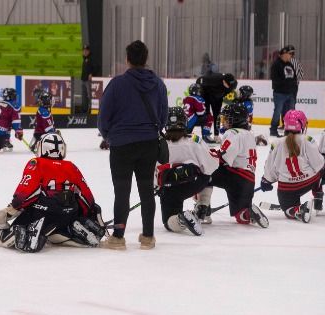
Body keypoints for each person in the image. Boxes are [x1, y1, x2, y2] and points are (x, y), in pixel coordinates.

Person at [98, 40, 168, 250]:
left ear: (127, 59)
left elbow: (103, 117)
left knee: (122, 191)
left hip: (121, 145)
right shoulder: (158, 84)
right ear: (146, 59)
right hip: (148, 143)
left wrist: (110, 136)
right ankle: (148, 236)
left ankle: (118, 237)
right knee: (147, 189)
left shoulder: (117, 84)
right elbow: (163, 117)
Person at [0, 133, 106, 252]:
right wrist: (87, 213)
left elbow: (26, 193)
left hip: (43, 213)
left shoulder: (36, 163)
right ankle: (66, 232)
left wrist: (11, 210)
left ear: (42, 147)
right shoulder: (71, 166)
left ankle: (13, 234)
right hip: (69, 214)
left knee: (8, 234)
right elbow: (86, 196)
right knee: (62, 218)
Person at [156, 107, 218, 236]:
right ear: (184, 121)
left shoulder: (159, 144)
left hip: (171, 188)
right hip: (195, 183)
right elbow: (211, 165)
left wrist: (156, 187)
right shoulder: (194, 139)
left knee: (169, 222)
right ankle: (203, 206)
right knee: (207, 174)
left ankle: (180, 219)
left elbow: (153, 170)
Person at [206, 102, 268, 228]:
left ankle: (202, 210)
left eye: (227, 118)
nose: (224, 121)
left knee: (203, 173)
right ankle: (247, 213)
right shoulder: (249, 135)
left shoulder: (232, 133)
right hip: (248, 181)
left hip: (234, 176)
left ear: (236, 120)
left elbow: (224, 158)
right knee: (241, 216)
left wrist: (208, 156)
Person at [260, 110, 325, 222]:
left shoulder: (276, 143)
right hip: (309, 182)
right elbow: (319, 164)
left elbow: (270, 166)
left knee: (288, 210)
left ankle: (299, 209)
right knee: (320, 171)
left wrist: (267, 180)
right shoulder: (307, 140)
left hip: (288, 187)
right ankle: (318, 192)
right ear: (302, 124)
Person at [196, 72, 237, 140]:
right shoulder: (211, 79)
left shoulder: (232, 84)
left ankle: (216, 135)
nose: (229, 87)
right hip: (206, 94)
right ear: (223, 81)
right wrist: (202, 97)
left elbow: (230, 90)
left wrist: (223, 95)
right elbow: (198, 81)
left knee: (217, 115)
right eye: (228, 85)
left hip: (218, 96)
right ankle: (205, 135)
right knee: (207, 115)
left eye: (230, 86)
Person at [270, 47, 298, 137]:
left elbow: (294, 79)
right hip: (279, 93)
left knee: (289, 113)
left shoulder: (290, 64)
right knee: (277, 111)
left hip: (290, 94)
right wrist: (286, 84)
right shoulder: (276, 65)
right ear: (284, 54)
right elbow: (275, 79)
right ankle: (273, 130)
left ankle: (289, 129)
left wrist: (293, 92)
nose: (291, 56)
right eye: (290, 54)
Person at [80, 45, 94, 113]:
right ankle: (84, 109)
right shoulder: (83, 58)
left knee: (89, 95)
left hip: (88, 80)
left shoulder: (91, 58)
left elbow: (97, 67)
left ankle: (90, 109)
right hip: (83, 79)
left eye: (86, 51)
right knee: (84, 95)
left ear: (89, 51)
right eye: (84, 51)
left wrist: (92, 73)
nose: (85, 52)